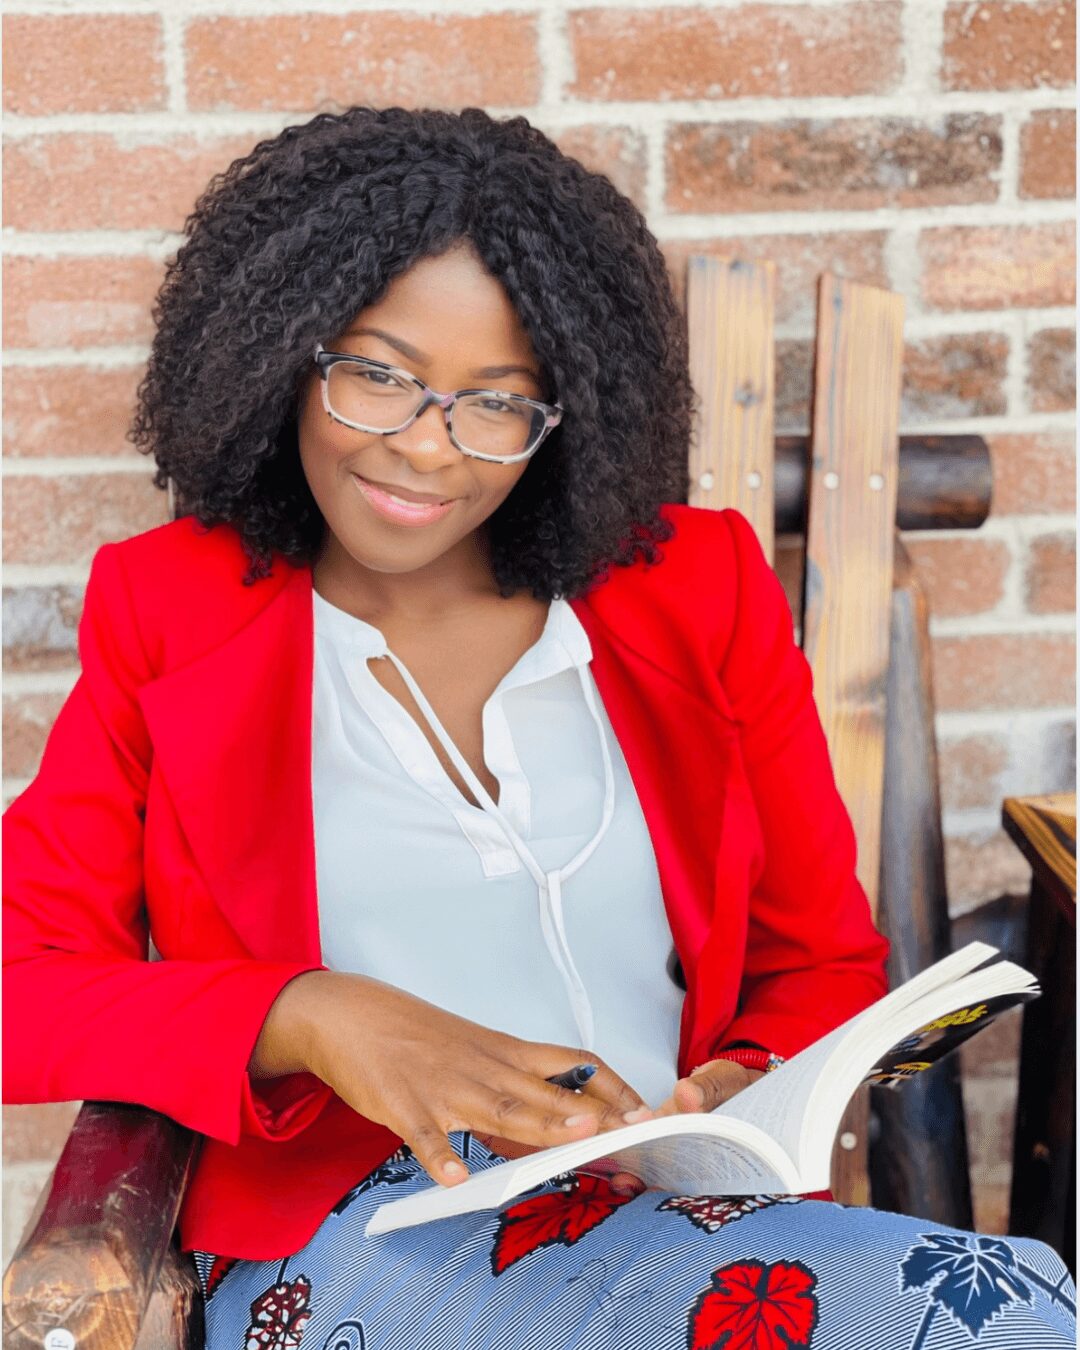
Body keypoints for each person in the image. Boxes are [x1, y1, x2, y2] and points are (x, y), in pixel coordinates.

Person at [3, 105, 1073, 1350]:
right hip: (359, 1238)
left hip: (681, 1221)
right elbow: (25, 987)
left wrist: (734, 1093)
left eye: (495, 403)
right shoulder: (172, 613)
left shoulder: (695, 592)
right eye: (377, 373)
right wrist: (310, 1014)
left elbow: (818, 962)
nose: (425, 448)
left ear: (564, 415)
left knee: (1017, 1306)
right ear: (283, 352)